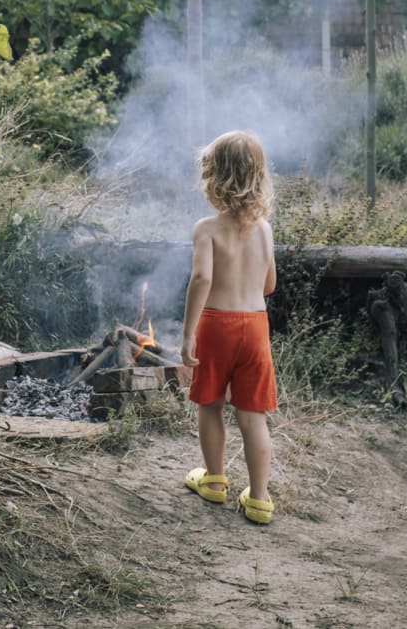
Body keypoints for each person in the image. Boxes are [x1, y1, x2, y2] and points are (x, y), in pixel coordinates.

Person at [181, 130, 278, 525]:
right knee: (253, 415)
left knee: (211, 404)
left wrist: (188, 332)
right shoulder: (265, 230)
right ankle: (259, 499)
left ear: (214, 179)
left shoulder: (207, 228)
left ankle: (215, 480)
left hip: (217, 324)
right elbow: (269, 286)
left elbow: (202, 279)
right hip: (255, 326)